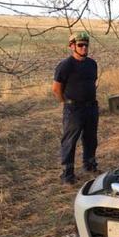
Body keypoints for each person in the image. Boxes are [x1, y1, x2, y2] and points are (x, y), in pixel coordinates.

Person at [52, 32, 99, 185]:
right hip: (74, 109)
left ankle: (90, 165)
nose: (84, 47)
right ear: (72, 46)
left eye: (86, 44)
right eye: (80, 45)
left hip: (91, 107)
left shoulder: (92, 64)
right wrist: (66, 102)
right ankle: (67, 174)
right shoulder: (65, 65)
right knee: (70, 141)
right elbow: (56, 89)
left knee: (91, 138)